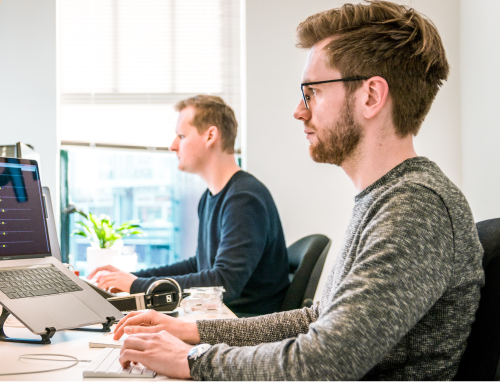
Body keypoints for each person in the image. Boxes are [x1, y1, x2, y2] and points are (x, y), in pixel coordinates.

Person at [109, 1, 485, 380]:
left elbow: (322, 362)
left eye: (312, 92)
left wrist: (191, 361)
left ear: (371, 96)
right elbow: (317, 319)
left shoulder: (415, 207)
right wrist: (192, 331)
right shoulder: (386, 198)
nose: (299, 111)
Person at [88, 95, 290, 315]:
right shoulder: (211, 197)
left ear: (210, 136)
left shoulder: (244, 199)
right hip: (220, 317)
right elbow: (200, 265)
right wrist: (134, 278)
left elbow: (223, 284)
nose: (172, 146)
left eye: (182, 136)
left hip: (243, 326)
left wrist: (136, 286)